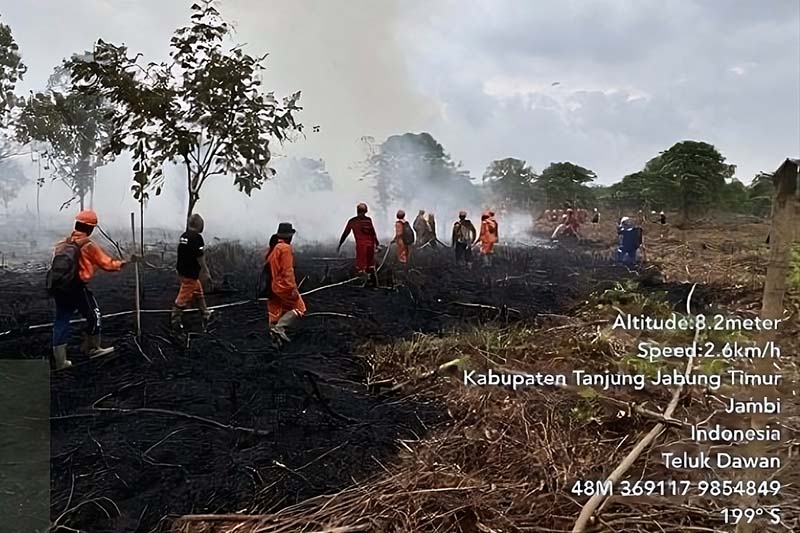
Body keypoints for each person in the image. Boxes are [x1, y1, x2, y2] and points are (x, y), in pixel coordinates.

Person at [49, 209, 133, 370]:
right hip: (77, 288)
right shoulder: (88, 245)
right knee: (94, 315)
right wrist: (123, 263)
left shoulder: (61, 244)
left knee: (61, 320)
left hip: (60, 287)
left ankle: (61, 361)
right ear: (90, 228)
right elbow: (107, 264)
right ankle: (93, 348)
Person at [171, 213, 213, 336]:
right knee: (183, 297)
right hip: (190, 273)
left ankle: (205, 312)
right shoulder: (197, 238)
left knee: (198, 289)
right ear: (200, 225)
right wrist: (206, 272)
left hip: (182, 270)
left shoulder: (184, 236)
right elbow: (200, 257)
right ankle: (175, 321)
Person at [266, 222, 305, 343]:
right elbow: (288, 271)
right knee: (300, 309)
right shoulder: (285, 249)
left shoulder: (273, 248)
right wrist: (292, 289)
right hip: (283, 287)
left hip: (272, 286)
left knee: (275, 313)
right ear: (289, 236)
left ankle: (275, 342)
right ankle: (279, 328)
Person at [337, 202, 380, 286]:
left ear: (357, 211)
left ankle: (363, 282)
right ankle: (373, 283)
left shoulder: (352, 221)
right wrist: (377, 244)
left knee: (361, 265)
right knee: (370, 265)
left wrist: (340, 244)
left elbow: (345, 233)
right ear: (366, 211)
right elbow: (373, 233)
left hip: (361, 246)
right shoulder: (368, 220)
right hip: (370, 246)